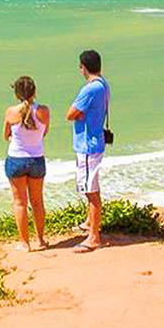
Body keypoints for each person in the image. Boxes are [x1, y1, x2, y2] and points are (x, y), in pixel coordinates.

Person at [65, 49, 109, 252]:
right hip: (95, 140)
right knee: (91, 185)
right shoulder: (103, 84)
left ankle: (94, 237)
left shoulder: (89, 90)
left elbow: (70, 113)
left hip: (87, 145)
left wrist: (79, 115)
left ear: (83, 67)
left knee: (91, 189)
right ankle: (90, 223)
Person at [3, 75, 50, 251]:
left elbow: (5, 135)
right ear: (34, 91)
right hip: (37, 159)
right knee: (37, 202)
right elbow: (44, 132)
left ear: (16, 94)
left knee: (20, 202)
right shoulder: (44, 111)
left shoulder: (11, 112)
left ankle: (24, 243)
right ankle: (41, 239)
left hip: (16, 159)